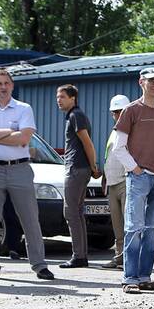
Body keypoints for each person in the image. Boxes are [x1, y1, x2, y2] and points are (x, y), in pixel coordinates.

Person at [0, 68, 55, 281]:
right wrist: (11, 132)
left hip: (20, 169)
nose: (2, 87)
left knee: (30, 219)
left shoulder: (23, 108)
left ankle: (39, 265)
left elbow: (24, 139)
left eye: (6, 83)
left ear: (12, 85)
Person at [113, 67, 154, 293]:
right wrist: (135, 168)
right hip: (138, 176)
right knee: (134, 227)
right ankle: (129, 278)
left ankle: (145, 276)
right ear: (142, 83)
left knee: (151, 229)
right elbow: (119, 148)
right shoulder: (130, 111)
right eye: (152, 81)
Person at [56, 84, 99, 268]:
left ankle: (79, 256)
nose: (59, 100)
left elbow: (87, 143)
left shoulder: (76, 115)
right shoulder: (74, 116)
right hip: (77, 168)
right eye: (58, 97)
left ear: (73, 98)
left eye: (62, 97)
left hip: (76, 169)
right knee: (77, 212)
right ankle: (81, 255)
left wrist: (93, 166)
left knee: (71, 212)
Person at [101, 94, 131, 269]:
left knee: (129, 224)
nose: (117, 115)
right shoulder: (114, 131)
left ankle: (130, 259)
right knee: (117, 225)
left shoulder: (132, 130)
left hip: (125, 181)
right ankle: (119, 257)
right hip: (112, 183)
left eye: (120, 112)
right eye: (114, 112)